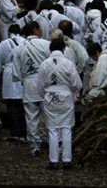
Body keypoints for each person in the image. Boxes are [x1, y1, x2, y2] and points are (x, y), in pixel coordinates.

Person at [38, 38, 82, 170]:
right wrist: (73, 94)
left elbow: (39, 85)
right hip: (66, 96)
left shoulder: (44, 64)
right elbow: (77, 84)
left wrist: (45, 95)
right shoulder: (68, 63)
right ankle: (67, 160)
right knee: (66, 128)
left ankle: (53, 160)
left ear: (50, 50)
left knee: (52, 129)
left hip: (50, 96)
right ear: (63, 49)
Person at [12, 21, 51, 156]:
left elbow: (16, 72)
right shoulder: (46, 44)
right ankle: (49, 141)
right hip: (44, 82)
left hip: (28, 83)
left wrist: (23, 78)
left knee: (31, 116)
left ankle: (34, 145)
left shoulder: (19, 48)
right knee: (48, 114)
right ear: (35, 30)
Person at [0, 24, 26, 140]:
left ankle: (14, 132)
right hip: (22, 72)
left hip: (9, 72)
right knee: (23, 104)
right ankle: (24, 132)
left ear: (9, 32)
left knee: (11, 104)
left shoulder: (4, 43)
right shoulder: (25, 42)